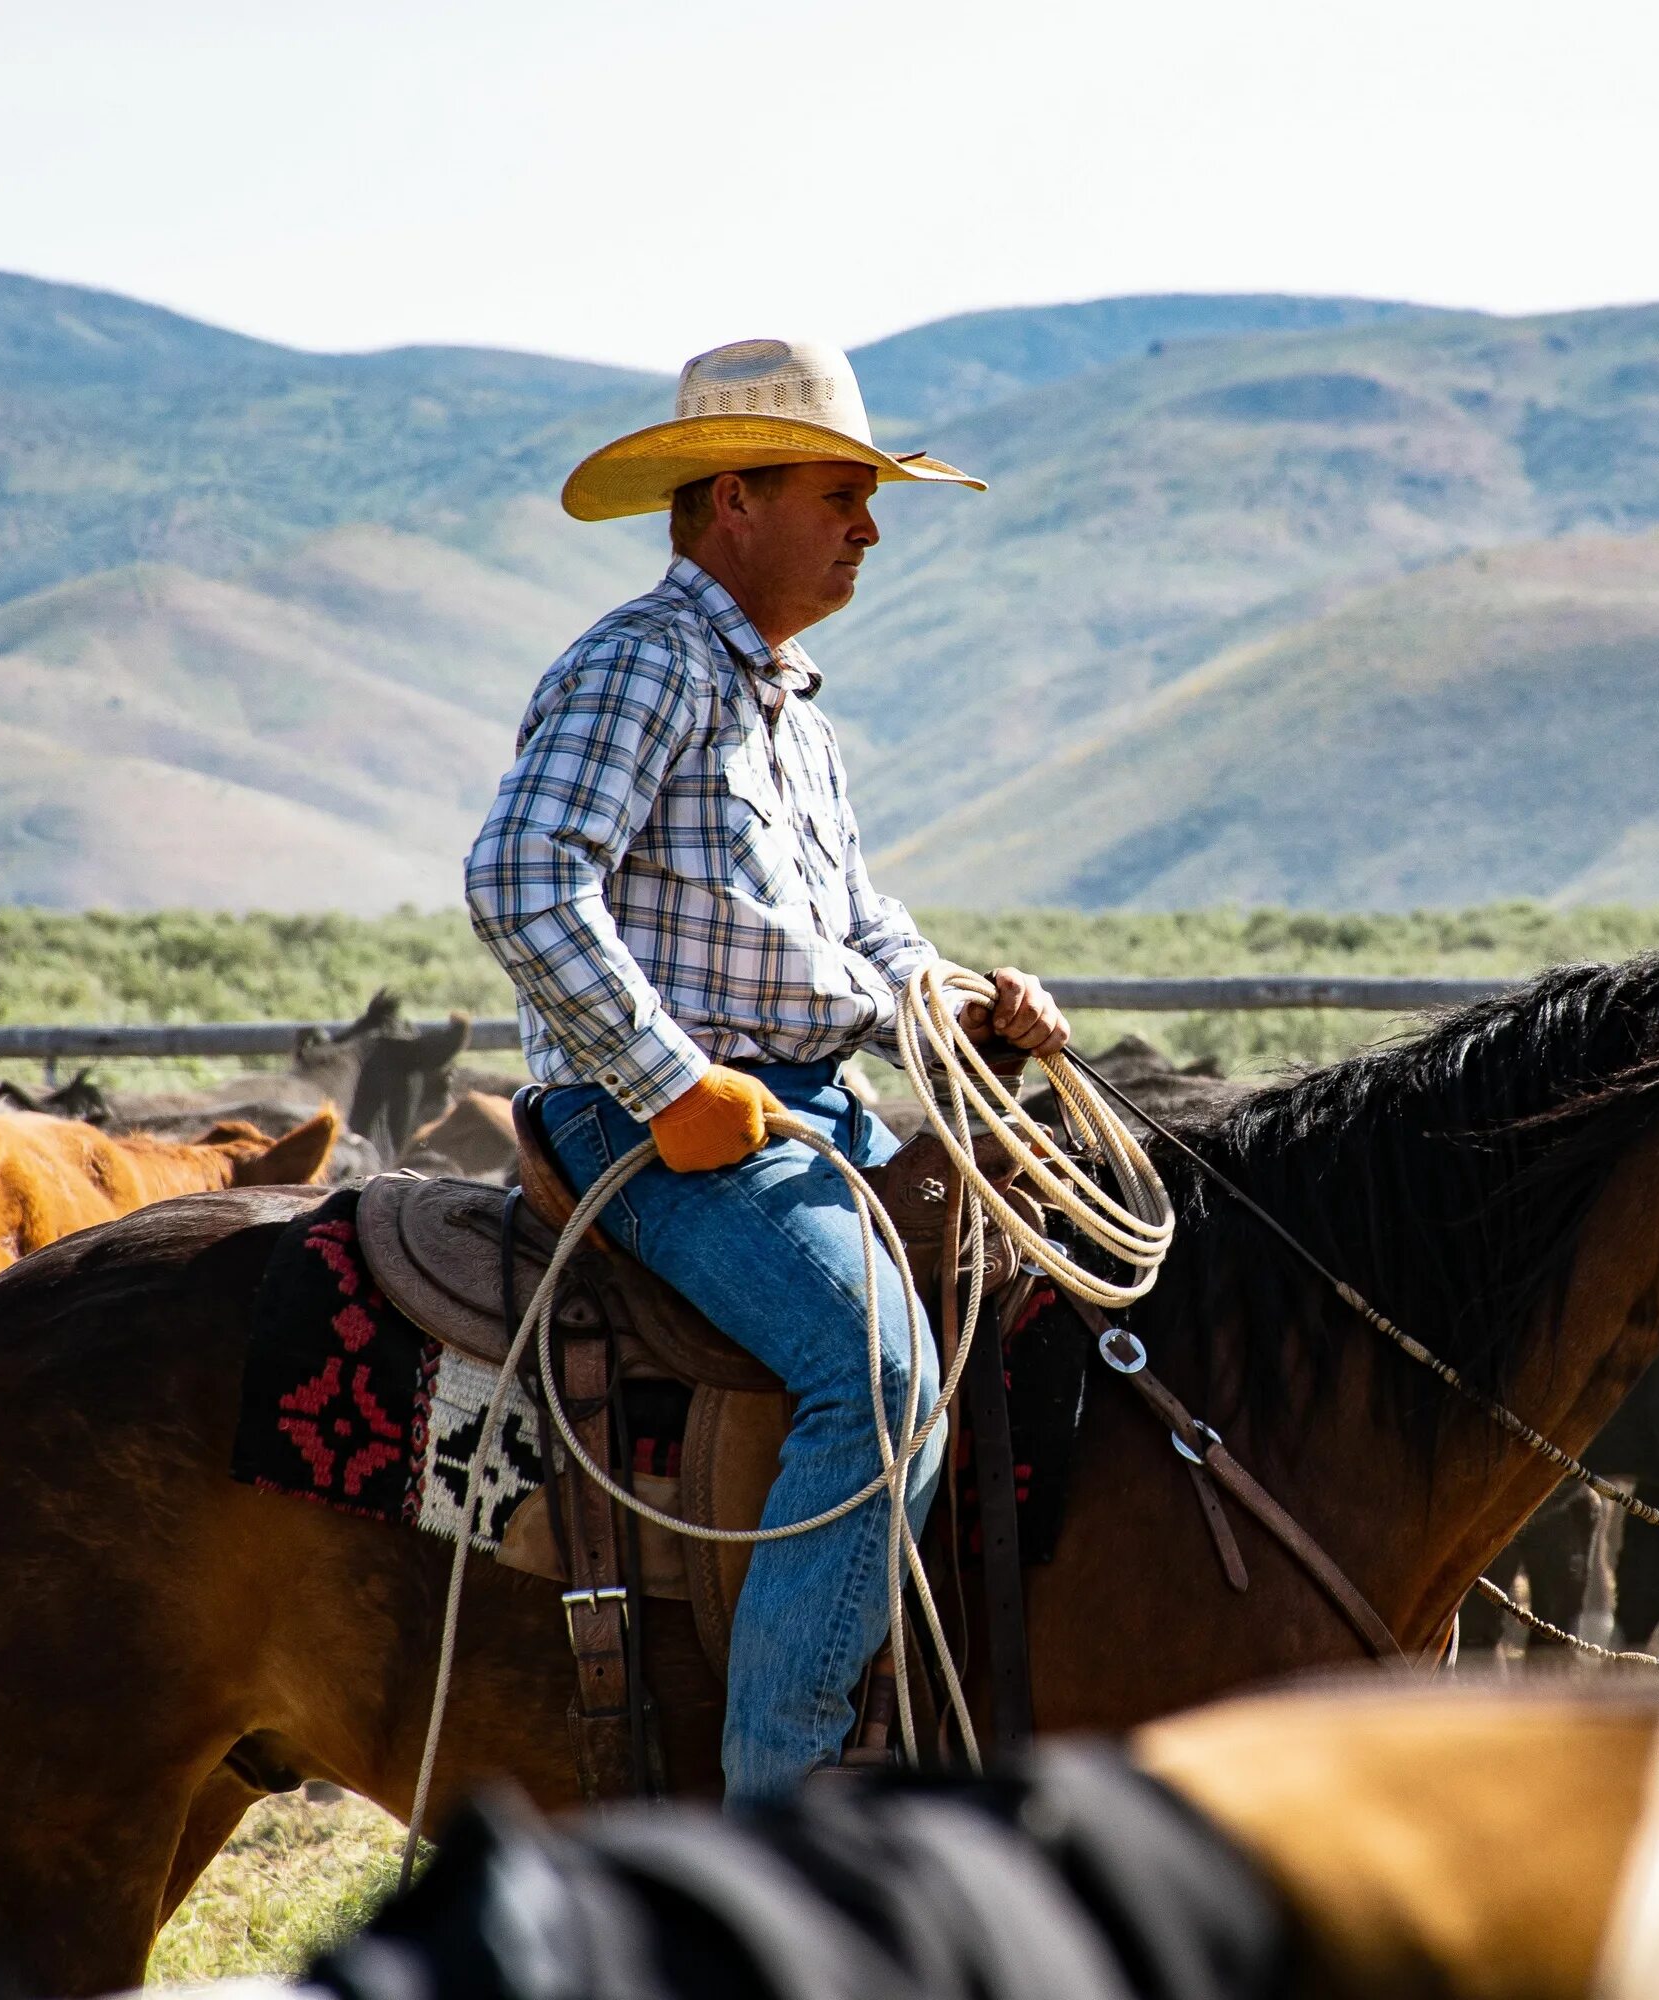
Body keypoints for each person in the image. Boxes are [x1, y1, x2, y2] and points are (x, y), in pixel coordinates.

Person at [465, 336, 1072, 1807]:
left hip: (804, 1110)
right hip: (649, 1125)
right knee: (874, 1380)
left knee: (1039, 1304)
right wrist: (668, 1083)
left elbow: (863, 925)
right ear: (732, 499)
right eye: (840, 492)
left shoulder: (794, 710)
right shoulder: (642, 663)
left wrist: (962, 1000)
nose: (869, 525)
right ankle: (777, 1819)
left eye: (871, 497)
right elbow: (522, 877)